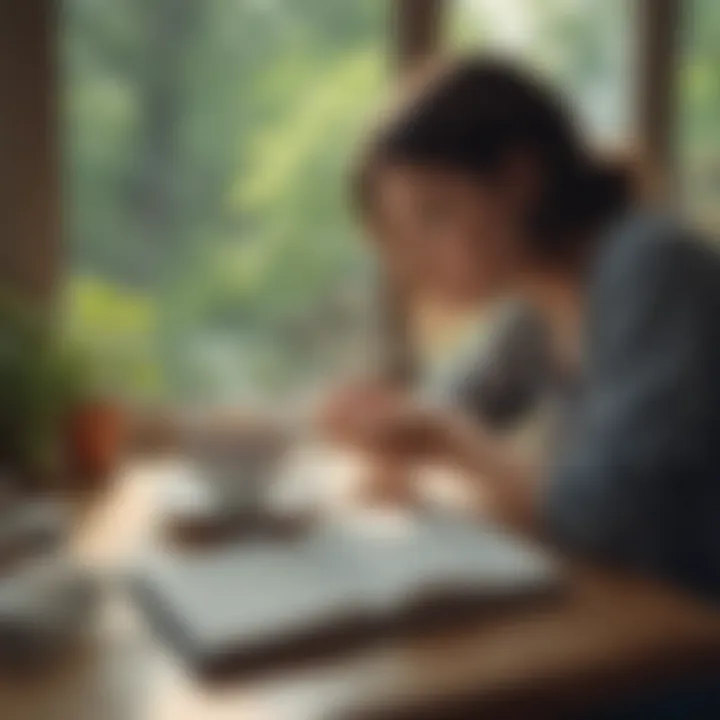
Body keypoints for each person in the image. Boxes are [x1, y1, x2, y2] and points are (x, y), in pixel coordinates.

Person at [323, 56, 720, 600]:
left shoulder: (651, 266)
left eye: (434, 216)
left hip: (694, 633)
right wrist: (390, 427)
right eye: (400, 233)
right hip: (640, 615)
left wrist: (447, 440)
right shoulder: (539, 306)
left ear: (519, 179)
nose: (413, 261)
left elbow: (606, 519)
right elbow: (440, 408)